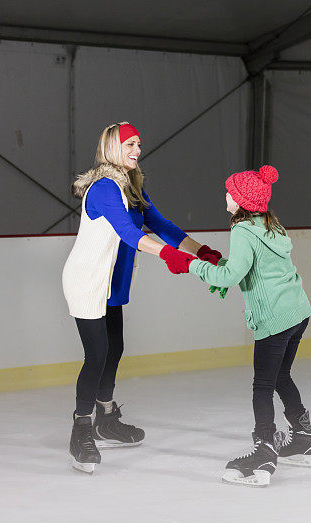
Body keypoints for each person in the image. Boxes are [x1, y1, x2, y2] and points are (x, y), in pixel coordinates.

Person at [61, 122, 222, 474]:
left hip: (113, 281)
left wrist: (202, 251)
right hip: (89, 280)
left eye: (138, 144)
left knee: (114, 348)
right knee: (97, 354)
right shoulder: (104, 188)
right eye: (129, 144)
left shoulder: (130, 186)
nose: (137, 150)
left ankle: (106, 418)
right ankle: (81, 429)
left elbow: (162, 225)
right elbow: (131, 234)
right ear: (111, 148)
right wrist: (171, 257)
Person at [161, 165, 311, 487]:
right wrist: (219, 262)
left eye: (230, 192)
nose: (226, 196)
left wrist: (192, 264)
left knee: (263, 385)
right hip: (297, 311)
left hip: (274, 318)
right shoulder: (271, 226)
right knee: (281, 376)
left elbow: (231, 277)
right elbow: (249, 267)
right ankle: (303, 438)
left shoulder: (243, 230)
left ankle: (264, 450)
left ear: (242, 200)